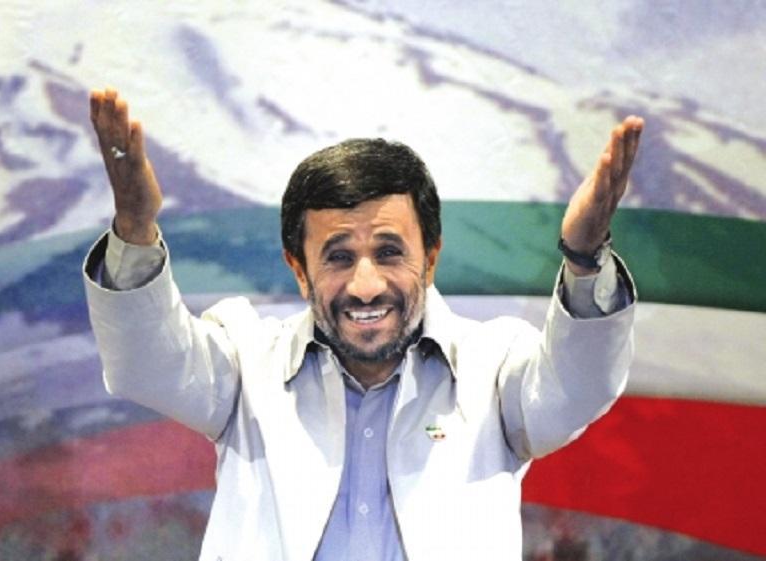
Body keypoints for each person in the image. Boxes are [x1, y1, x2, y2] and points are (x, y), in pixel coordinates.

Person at [83, 87, 643, 561]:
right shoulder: (244, 361)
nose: (366, 285)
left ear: (431, 258)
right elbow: (146, 365)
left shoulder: (495, 367)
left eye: (390, 252)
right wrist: (135, 230)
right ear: (299, 271)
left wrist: (584, 259)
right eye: (339, 257)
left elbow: (579, 386)